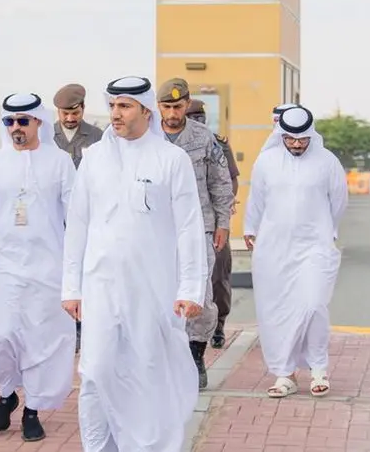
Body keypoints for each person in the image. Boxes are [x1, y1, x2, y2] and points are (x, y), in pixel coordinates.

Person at [61, 76, 207, 451]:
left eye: (124, 106)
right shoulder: (93, 159)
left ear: (146, 111)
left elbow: (189, 228)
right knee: (94, 374)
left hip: (153, 290)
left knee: (148, 371)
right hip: (99, 289)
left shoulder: (171, 160)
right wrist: (71, 288)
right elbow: (77, 224)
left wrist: (191, 289)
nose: (115, 114)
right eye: (112, 106)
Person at [0, 93, 77, 441]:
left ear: (37, 123)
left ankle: (33, 408)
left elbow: (76, 216)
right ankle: (6, 393)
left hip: (49, 267)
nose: (16, 128)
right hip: (4, 266)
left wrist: (76, 269)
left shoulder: (59, 161)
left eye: (22, 121)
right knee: (4, 335)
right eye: (9, 122)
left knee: (42, 340)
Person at [243, 106, 348, 398]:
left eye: (303, 139)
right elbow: (257, 199)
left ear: (311, 135)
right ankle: (285, 374)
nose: (297, 144)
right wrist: (251, 228)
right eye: (291, 139)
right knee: (276, 311)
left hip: (315, 246)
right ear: (281, 135)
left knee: (314, 305)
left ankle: (318, 369)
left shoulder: (328, 162)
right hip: (273, 248)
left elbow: (338, 203)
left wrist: (328, 231)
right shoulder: (266, 161)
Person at [157, 77, 234, 388]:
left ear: (187, 105)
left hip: (199, 227)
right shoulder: (145, 138)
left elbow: (220, 182)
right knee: (159, 293)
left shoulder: (204, 138)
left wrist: (223, 223)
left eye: (178, 106)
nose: (173, 112)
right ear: (157, 107)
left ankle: (196, 354)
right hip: (157, 229)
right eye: (167, 106)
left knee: (200, 296)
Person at [52, 82, 104, 352]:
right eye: (64, 114)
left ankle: (82, 328)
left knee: (85, 272)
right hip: (55, 219)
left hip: (88, 217)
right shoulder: (47, 137)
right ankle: (63, 328)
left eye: (75, 113)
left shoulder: (98, 137)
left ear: (83, 109)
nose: (70, 119)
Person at [186, 98, 241, 349]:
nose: (197, 121)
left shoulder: (216, 142)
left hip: (211, 222)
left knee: (218, 277)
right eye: (193, 116)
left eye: (200, 116)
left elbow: (230, 180)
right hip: (181, 224)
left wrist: (223, 215)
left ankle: (218, 324)